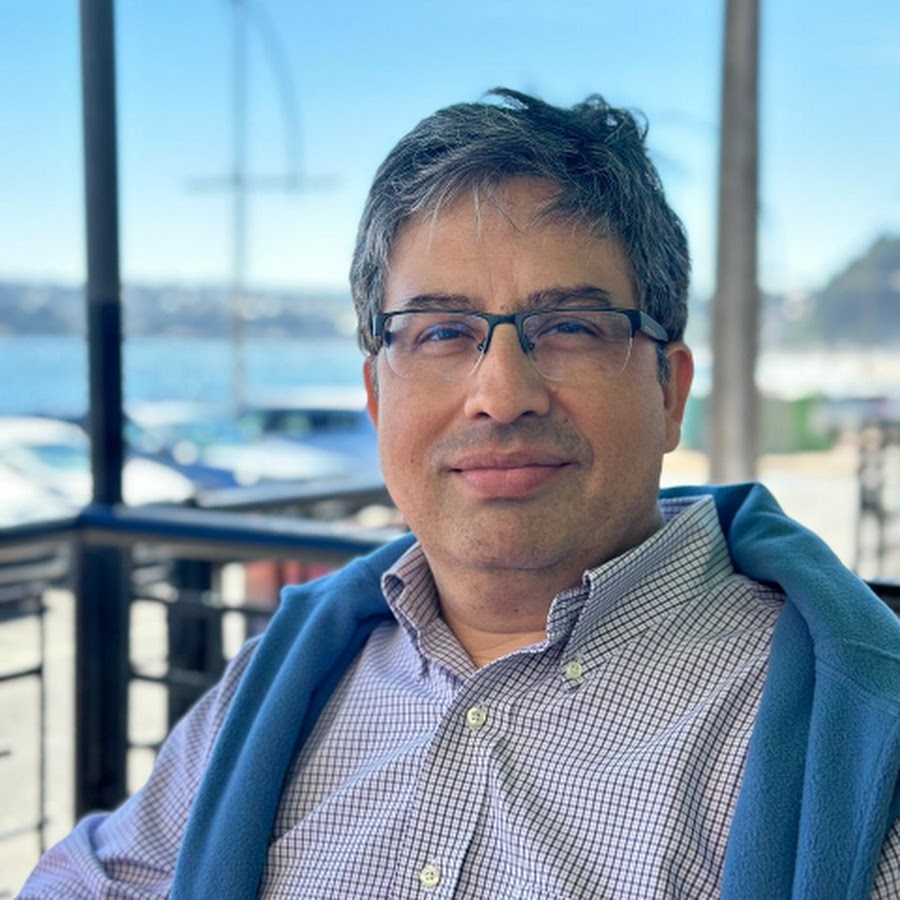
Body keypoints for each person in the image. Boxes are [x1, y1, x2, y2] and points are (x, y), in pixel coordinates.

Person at [20, 89, 900, 899]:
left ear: (669, 392)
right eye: (442, 332)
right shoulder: (288, 676)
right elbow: (95, 880)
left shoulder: (851, 732)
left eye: (571, 326)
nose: (502, 393)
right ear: (376, 399)